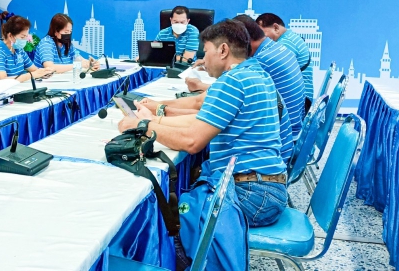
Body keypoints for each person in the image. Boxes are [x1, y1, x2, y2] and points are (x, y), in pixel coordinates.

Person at [119, 20, 287, 269]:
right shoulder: (254, 73)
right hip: (266, 189)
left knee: (164, 222)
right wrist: (154, 120)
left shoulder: (232, 82)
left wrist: (142, 127)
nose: (203, 60)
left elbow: (191, 141)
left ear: (223, 50)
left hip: (249, 194)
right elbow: (198, 123)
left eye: (206, 51)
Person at [234, 15, 306, 138]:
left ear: (243, 41)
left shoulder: (261, 60)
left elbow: (234, 94)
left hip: (282, 136)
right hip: (293, 127)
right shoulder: (276, 47)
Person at [257, 12, 314, 107]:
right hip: (299, 98)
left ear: (276, 28)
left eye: (263, 35)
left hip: (300, 102)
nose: (261, 40)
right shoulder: (290, 37)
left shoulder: (286, 43)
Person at [0, 15, 54, 81]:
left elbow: (34, 70)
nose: (25, 40)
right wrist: (31, 75)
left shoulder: (19, 50)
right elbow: (2, 79)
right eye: (22, 37)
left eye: (26, 36)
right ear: (10, 36)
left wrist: (44, 72)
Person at [33, 13, 99, 73]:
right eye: (66, 32)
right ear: (56, 32)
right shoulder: (46, 43)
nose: (68, 34)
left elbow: (78, 58)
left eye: (70, 32)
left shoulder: (67, 44)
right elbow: (49, 67)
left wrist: (90, 64)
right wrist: (77, 65)